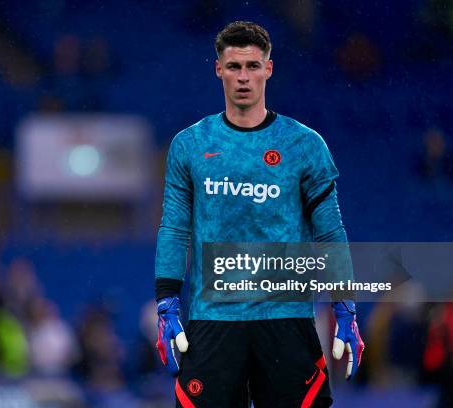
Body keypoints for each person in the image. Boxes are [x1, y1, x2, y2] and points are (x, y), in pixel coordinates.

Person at [154, 21, 365, 407]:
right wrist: (166, 302)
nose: (243, 77)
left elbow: (330, 233)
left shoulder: (304, 145)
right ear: (218, 69)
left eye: (253, 66)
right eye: (234, 67)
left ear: (269, 68)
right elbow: (173, 227)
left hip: (285, 318)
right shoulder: (189, 145)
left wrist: (345, 306)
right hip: (214, 319)